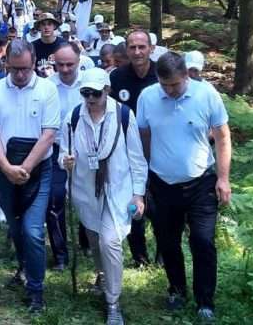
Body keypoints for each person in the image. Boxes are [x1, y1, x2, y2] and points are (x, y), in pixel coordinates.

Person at [136, 52, 232, 322]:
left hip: (201, 181)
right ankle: (176, 289)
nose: (170, 90)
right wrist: (145, 174)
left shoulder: (206, 94)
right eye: (164, 85)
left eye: (175, 85)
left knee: (203, 241)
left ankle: (205, 301)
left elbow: (223, 137)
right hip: (162, 182)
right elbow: (144, 136)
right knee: (168, 241)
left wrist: (223, 178)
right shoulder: (148, 97)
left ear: (187, 75)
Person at [60, 68, 148, 325]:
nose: (90, 98)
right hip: (86, 191)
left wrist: (138, 195)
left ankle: (113, 302)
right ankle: (102, 276)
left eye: (95, 93)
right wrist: (65, 161)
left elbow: (137, 159)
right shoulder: (73, 117)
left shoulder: (123, 115)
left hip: (117, 190)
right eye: (85, 93)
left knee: (110, 242)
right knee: (95, 238)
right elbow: (62, 152)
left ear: (107, 91)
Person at [0, 39, 60, 313]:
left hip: (38, 169)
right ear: (6, 63)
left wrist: (25, 168)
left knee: (33, 230)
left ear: (34, 63)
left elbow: (48, 135)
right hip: (5, 168)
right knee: (15, 228)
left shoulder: (47, 89)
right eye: (14, 69)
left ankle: (36, 290)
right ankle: (24, 267)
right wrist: (6, 167)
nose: (19, 74)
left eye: (25, 69)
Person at [108, 29, 158, 267]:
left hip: (159, 149)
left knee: (159, 205)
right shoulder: (117, 77)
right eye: (132, 47)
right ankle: (139, 256)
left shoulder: (161, 74)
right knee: (132, 201)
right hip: (127, 150)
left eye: (142, 47)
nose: (137, 52)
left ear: (151, 49)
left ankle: (163, 253)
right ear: (126, 50)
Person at [45, 43, 85, 271]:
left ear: (78, 61)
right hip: (56, 150)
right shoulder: (47, 87)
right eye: (60, 64)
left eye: (70, 64)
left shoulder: (89, 85)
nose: (65, 69)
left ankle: (87, 241)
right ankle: (60, 254)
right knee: (54, 199)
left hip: (86, 150)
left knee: (89, 197)